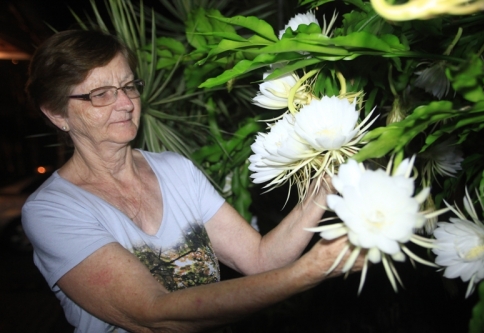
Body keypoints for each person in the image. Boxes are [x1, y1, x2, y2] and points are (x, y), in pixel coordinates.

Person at [22, 29, 362, 333]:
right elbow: (154, 315)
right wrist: (309, 271)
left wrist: (324, 187)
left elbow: (260, 260)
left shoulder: (176, 170)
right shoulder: (51, 211)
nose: (125, 103)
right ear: (56, 113)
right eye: (100, 94)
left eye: (128, 86)